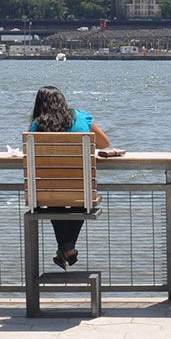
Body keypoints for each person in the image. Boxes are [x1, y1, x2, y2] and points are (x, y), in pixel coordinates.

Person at [28, 86, 111, 269]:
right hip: (81, 188)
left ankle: (66, 249)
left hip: (47, 191)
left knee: (53, 197)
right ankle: (68, 249)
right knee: (79, 197)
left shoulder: (37, 125)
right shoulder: (81, 117)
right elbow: (104, 143)